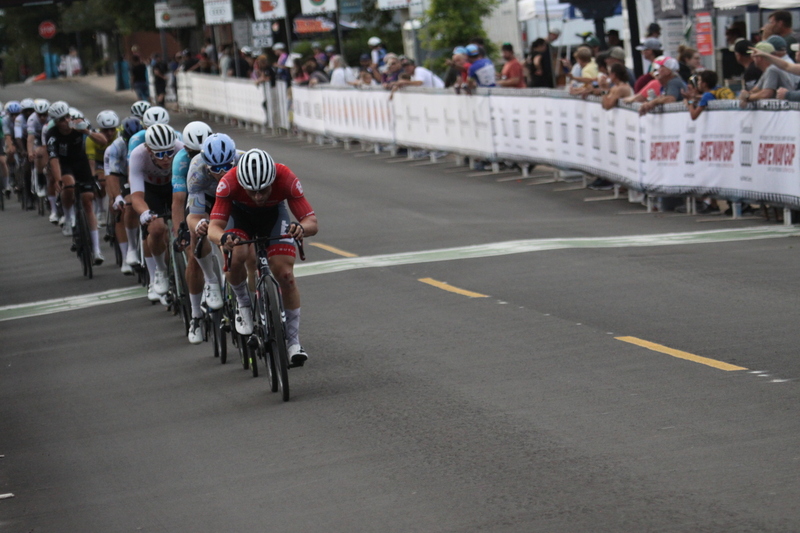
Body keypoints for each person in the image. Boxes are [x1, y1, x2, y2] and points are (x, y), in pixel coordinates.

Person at [207, 148, 318, 366]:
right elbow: (214, 228)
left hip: (273, 217)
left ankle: (293, 342)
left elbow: (311, 222)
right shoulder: (229, 182)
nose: (258, 196)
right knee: (237, 252)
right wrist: (223, 238)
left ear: (273, 180)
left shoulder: (285, 176)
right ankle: (243, 302)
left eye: (263, 190)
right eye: (252, 191)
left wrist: (300, 228)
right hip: (240, 219)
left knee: (285, 274)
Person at [171, 122, 219, 344]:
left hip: (222, 193)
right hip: (199, 196)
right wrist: (181, 229)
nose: (199, 157)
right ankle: (196, 316)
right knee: (193, 249)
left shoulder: (222, 149)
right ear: (186, 150)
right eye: (193, 153)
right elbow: (180, 200)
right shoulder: (182, 162)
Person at [45, 101, 107, 263]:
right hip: (63, 165)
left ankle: (96, 250)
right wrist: (58, 179)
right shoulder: (51, 134)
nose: (65, 122)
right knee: (69, 186)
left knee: (87, 201)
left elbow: (102, 141)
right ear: (55, 122)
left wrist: (87, 131)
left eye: (67, 117)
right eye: (61, 120)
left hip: (81, 163)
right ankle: (68, 217)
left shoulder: (79, 124)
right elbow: (54, 159)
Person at [128, 124, 185, 301]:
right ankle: (160, 269)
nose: (166, 158)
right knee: (156, 228)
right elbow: (136, 196)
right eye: (160, 154)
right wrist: (145, 212)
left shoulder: (181, 149)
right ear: (149, 149)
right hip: (151, 190)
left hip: (174, 187)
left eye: (169, 152)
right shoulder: (138, 155)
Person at [103, 116, 143, 275]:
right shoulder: (116, 147)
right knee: (123, 207)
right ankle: (128, 252)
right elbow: (112, 175)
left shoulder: (143, 141)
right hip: (118, 174)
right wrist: (117, 197)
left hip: (136, 173)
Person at [741, 41, 796, 107]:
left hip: (784, 113)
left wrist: (748, 97)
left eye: (754, 56)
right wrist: (746, 94)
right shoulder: (768, 70)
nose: (753, 59)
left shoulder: (772, 69)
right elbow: (755, 90)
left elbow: (766, 94)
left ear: (759, 57)